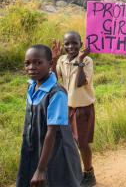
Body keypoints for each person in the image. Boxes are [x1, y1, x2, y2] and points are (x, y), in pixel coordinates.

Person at [17, 45, 82, 187]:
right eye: (27, 63)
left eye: (38, 62)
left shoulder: (56, 93)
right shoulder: (32, 86)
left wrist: (41, 169)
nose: (31, 67)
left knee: (55, 180)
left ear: (50, 64)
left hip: (56, 153)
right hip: (35, 148)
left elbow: (52, 131)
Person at [51, 31, 96, 187]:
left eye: (74, 43)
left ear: (81, 45)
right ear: (64, 45)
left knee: (82, 144)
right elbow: (53, 80)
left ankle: (89, 173)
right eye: (67, 43)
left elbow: (80, 82)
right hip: (66, 108)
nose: (71, 46)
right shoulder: (62, 60)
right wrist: (54, 59)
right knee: (66, 143)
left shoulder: (87, 60)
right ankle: (70, 172)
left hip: (83, 108)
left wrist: (81, 61)